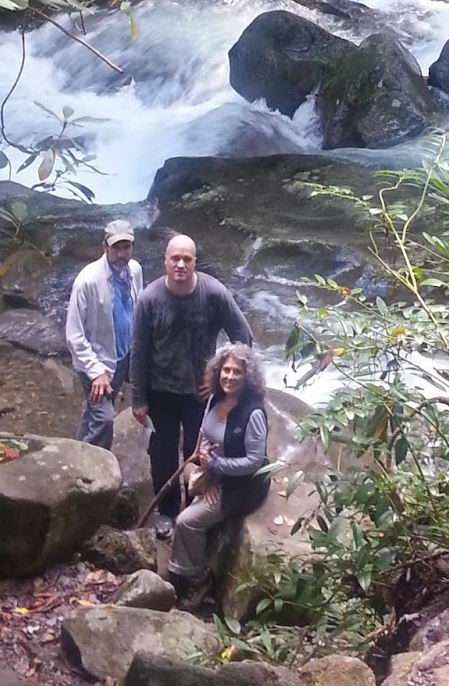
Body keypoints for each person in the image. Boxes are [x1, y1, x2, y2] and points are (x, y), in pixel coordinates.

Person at [129, 233, 253, 538]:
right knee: (162, 457)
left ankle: (197, 506)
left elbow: (243, 336)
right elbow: (139, 351)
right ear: (165, 261)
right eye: (175, 258)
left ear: (195, 262)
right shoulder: (150, 299)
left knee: (201, 454)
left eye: (187, 258)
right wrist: (138, 399)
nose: (181, 264)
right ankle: (168, 511)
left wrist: (223, 378)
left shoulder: (214, 293)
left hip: (202, 394)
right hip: (160, 393)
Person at [167, 343, 271, 612]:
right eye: (226, 370)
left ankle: (198, 579)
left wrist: (215, 468)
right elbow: (204, 434)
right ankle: (189, 562)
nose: (230, 376)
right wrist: (202, 458)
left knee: (186, 522)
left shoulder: (254, 412)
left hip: (242, 485)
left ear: (247, 377)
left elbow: (254, 462)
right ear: (218, 371)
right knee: (187, 485)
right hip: (215, 470)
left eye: (237, 372)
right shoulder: (215, 398)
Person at [65, 218, 144, 450]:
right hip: (96, 362)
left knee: (94, 412)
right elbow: (74, 334)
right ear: (104, 247)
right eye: (116, 247)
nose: (121, 253)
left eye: (126, 247)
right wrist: (96, 372)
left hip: (123, 357)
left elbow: (137, 310)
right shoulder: (87, 281)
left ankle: (73, 453)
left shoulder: (135, 271)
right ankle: (94, 471)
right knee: (104, 419)